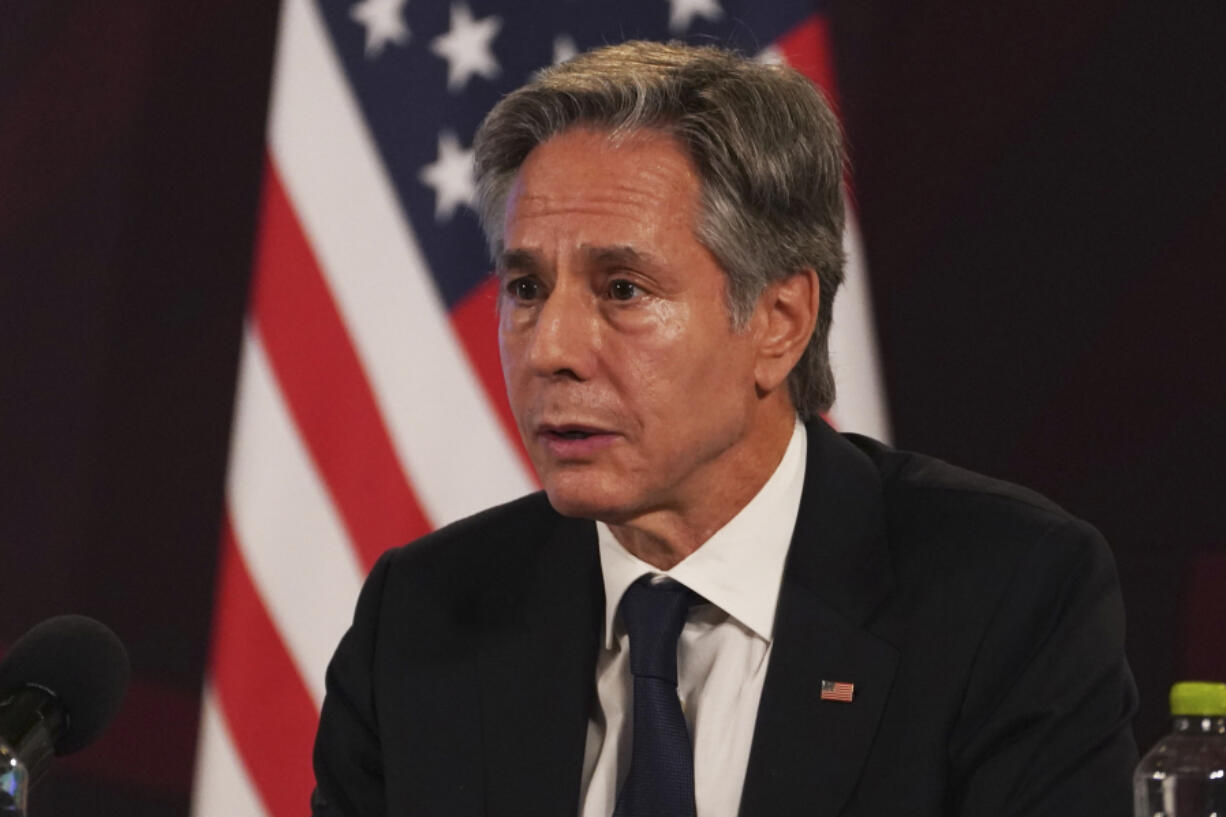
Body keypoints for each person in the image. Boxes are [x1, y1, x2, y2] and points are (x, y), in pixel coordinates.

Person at [310, 41, 1138, 817]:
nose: (551, 349)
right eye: (526, 288)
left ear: (779, 321)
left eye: (623, 288)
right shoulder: (423, 616)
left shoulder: (1006, 595)